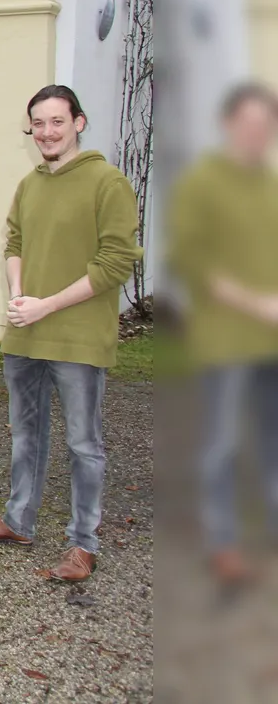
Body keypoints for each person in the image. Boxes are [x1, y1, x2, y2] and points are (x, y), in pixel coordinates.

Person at [0, 85, 143, 582]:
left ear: (78, 123)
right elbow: (14, 241)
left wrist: (48, 305)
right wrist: (20, 295)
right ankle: (18, 521)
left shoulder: (108, 182)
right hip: (26, 334)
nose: (46, 132)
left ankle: (84, 544)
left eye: (57, 121)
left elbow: (116, 262)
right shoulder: (30, 184)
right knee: (26, 435)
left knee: (84, 445)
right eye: (37, 123)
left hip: (77, 338)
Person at [168, 81, 278, 589]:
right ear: (230, 124)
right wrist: (256, 303)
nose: (257, 133)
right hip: (227, 342)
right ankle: (223, 541)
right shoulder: (204, 182)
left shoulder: (270, 184)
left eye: (266, 125)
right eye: (249, 123)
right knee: (223, 444)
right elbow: (192, 260)